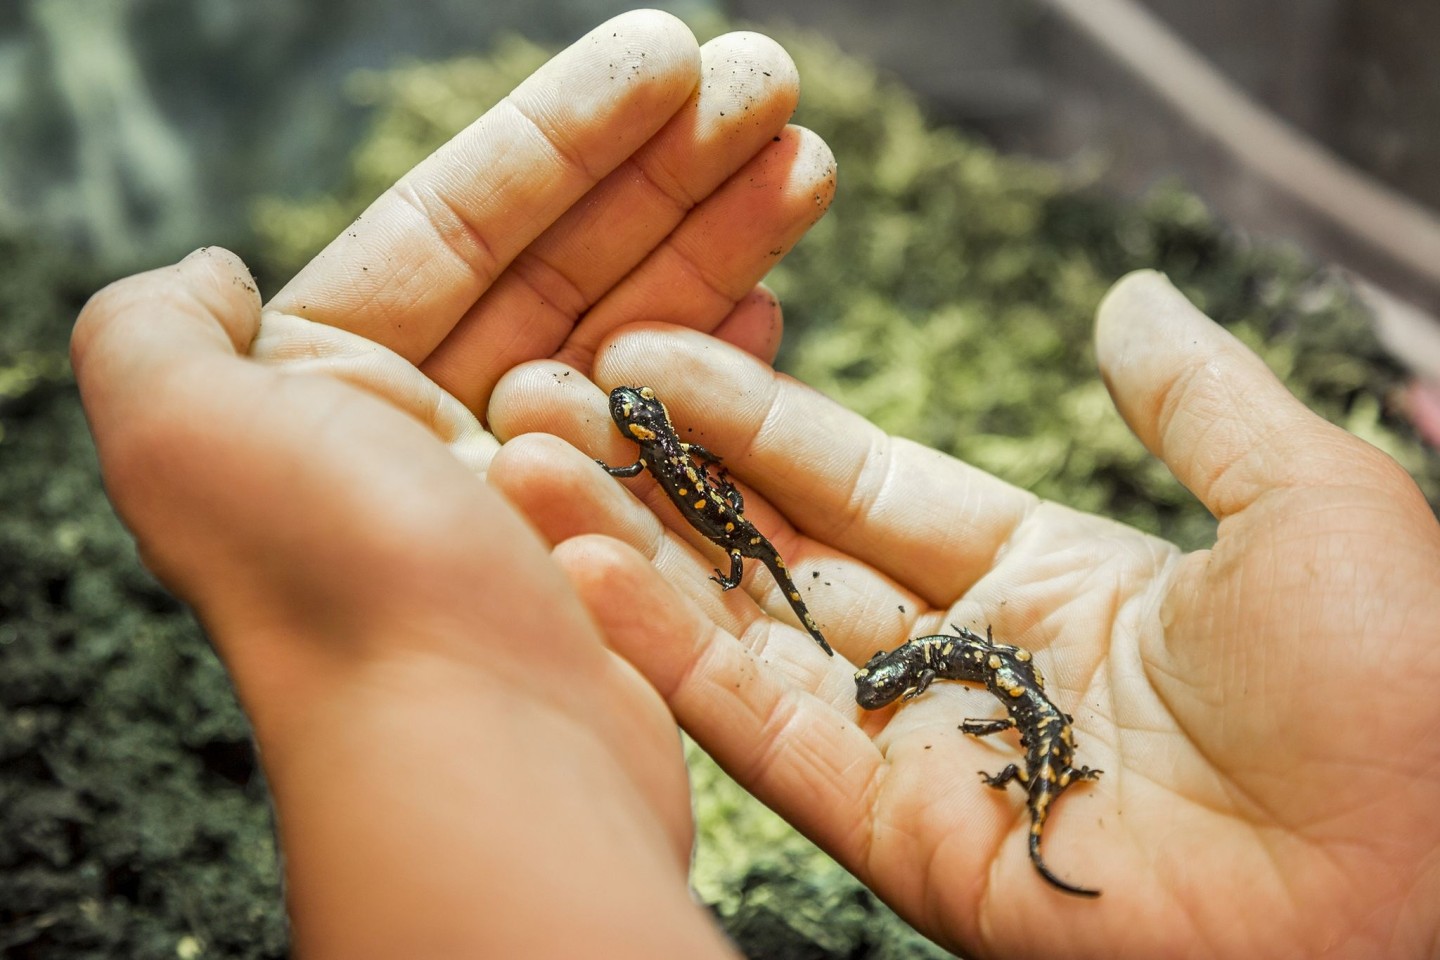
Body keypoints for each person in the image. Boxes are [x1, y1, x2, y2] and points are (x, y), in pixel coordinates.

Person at [70, 10, 1440, 960]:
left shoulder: (667, 455)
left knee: (757, 558)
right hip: (741, 546)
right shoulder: (657, 450)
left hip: (780, 573)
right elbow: (663, 464)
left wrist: (415, 662)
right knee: (742, 550)